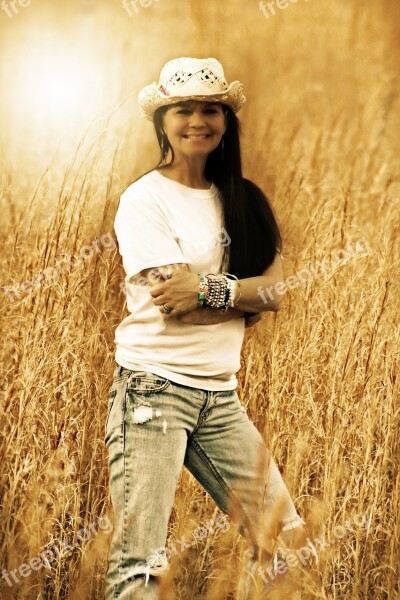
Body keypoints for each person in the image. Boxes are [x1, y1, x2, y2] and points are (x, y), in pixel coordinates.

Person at [104, 57, 317, 600]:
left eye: (210, 109)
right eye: (183, 109)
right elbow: (182, 306)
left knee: (286, 542)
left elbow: (281, 291)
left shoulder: (244, 200)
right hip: (153, 392)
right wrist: (242, 292)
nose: (198, 120)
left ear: (226, 120)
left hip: (220, 398)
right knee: (142, 565)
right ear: (162, 121)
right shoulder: (145, 199)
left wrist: (209, 286)